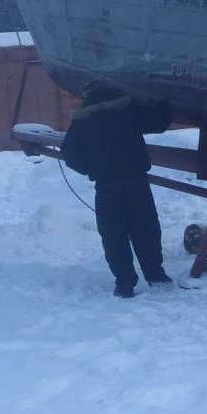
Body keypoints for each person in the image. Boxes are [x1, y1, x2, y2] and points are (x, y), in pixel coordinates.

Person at [61, 81, 173, 298]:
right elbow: (158, 122)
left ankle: (124, 283)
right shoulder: (126, 109)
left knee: (113, 235)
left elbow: (70, 153)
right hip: (136, 181)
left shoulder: (83, 120)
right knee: (146, 229)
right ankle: (156, 276)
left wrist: (91, 168)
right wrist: (164, 98)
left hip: (107, 186)